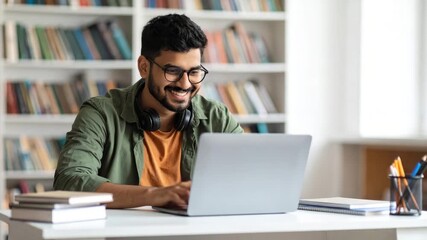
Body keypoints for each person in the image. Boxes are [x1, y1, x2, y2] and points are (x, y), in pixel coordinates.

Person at [53, 14, 244, 209]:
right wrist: (156, 195)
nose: (185, 83)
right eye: (173, 71)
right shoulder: (100, 113)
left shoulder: (216, 116)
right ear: (144, 67)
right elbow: (70, 181)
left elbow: (251, 174)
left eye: (194, 72)